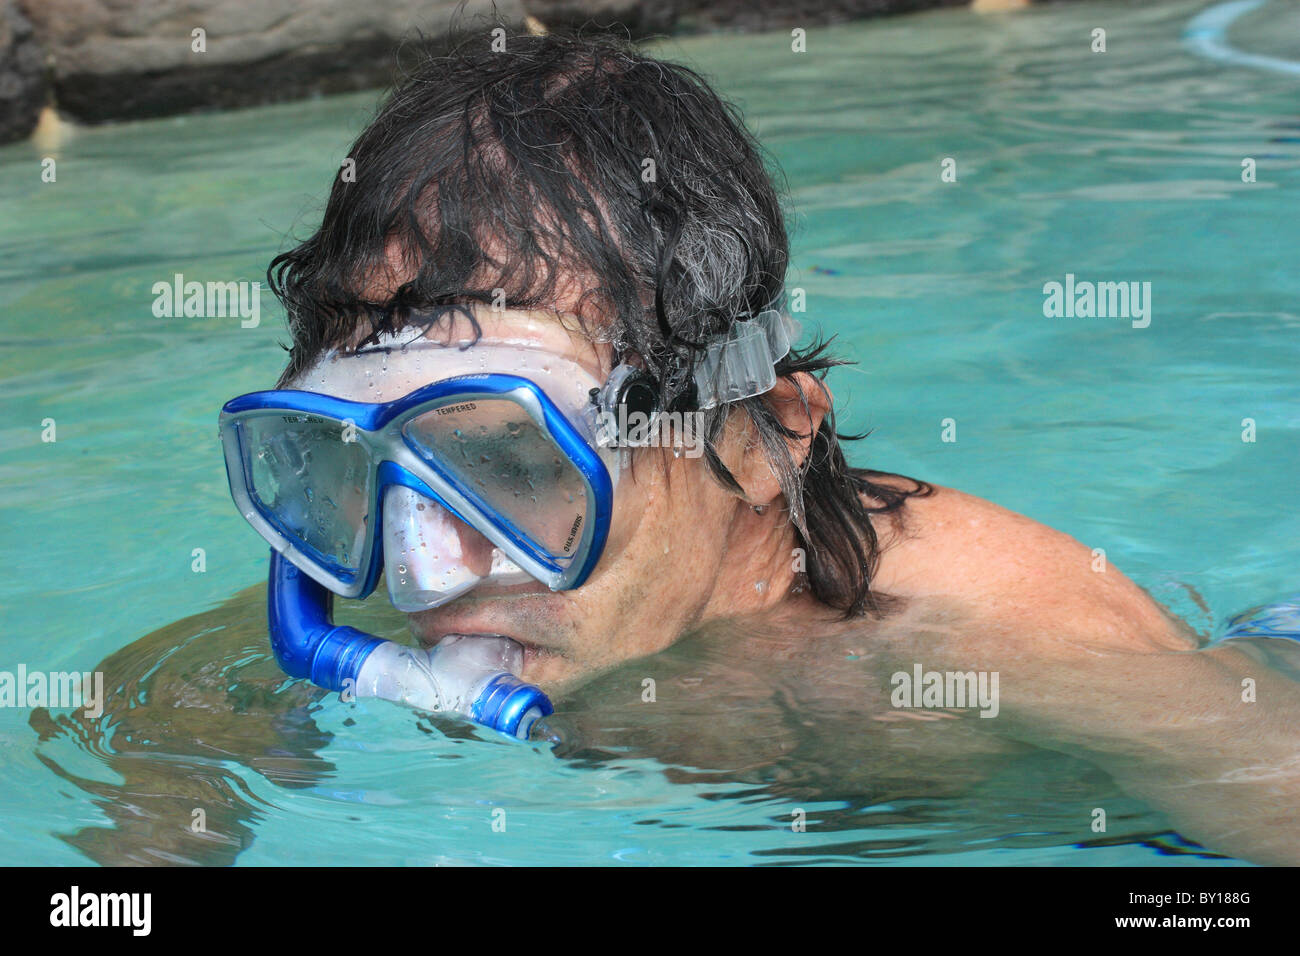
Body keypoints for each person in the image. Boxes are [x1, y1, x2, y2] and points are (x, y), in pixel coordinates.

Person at [216, 26, 1300, 863]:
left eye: (512, 459)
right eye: (355, 459)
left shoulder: (968, 654)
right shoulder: (372, 583)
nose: (418, 570)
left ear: (759, 430)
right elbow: (165, 740)